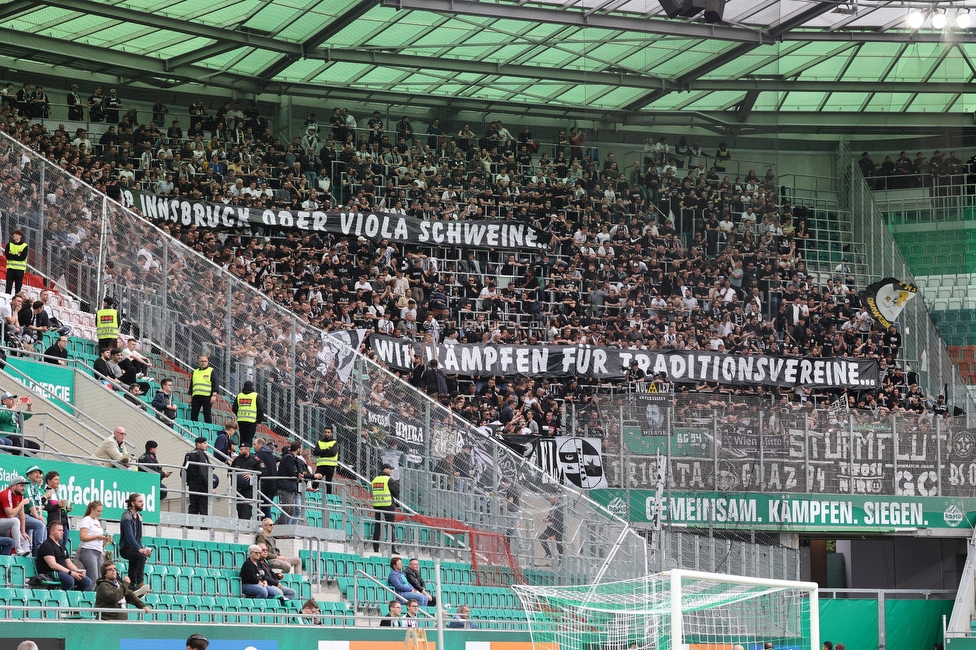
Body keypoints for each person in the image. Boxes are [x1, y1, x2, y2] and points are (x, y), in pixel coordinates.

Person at [36, 520, 93, 591]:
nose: (62, 532)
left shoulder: (62, 547)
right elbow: (53, 565)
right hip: (50, 573)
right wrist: (70, 572)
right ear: (52, 532)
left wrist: (77, 571)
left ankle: (73, 599)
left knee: (86, 582)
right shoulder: (47, 545)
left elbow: (68, 563)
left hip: (63, 572)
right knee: (69, 580)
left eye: (62, 530)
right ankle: (58, 597)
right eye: (59, 530)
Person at [118, 493, 152, 591]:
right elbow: (129, 537)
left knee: (136, 560)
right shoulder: (126, 516)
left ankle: (131, 585)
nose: (142, 503)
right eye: (140, 501)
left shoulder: (139, 516)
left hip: (134, 548)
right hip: (126, 548)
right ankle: (140, 582)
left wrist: (143, 549)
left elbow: (138, 537)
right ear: (133, 503)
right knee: (140, 556)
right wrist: (140, 549)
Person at [78, 501, 112, 581]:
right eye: (98, 511)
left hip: (98, 550)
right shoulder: (86, 520)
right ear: (92, 509)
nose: (99, 513)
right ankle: (89, 593)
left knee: (100, 578)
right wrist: (97, 536)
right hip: (88, 550)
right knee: (94, 578)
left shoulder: (97, 522)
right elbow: (82, 537)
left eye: (101, 511)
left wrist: (103, 540)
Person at [371, 463, 399, 554]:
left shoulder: (374, 480)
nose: (391, 471)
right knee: (390, 527)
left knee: (378, 527)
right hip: (387, 506)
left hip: (377, 506)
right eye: (390, 469)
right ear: (385, 469)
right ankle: (392, 548)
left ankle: (375, 548)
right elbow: (397, 492)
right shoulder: (388, 480)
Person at [0, 477, 32, 555]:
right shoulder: (5, 494)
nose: (23, 488)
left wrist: (23, 532)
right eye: (21, 485)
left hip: (5, 526)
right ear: (14, 486)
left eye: (24, 486)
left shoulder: (20, 495)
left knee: (25, 539)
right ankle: (18, 550)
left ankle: (26, 564)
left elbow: (22, 515)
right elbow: (10, 514)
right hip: (2, 522)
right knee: (15, 520)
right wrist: (22, 503)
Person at [21, 465, 49, 555]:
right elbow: (30, 503)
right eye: (36, 473)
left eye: (39, 473)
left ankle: (36, 555)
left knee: (41, 524)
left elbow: (39, 504)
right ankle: (39, 553)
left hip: (31, 515)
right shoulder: (27, 485)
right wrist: (37, 517)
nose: (38, 475)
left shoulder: (36, 487)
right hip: (23, 514)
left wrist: (40, 516)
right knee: (40, 525)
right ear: (29, 475)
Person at [231, 443, 262, 519]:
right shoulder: (237, 460)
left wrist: (252, 474)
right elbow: (230, 471)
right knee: (239, 510)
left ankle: (245, 529)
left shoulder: (255, 460)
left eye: (241, 449)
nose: (240, 451)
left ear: (246, 449)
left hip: (249, 490)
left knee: (246, 510)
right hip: (238, 490)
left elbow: (263, 471)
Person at [184, 436, 212, 516]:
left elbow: (183, 471)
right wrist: (210, 486)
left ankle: (190, 527)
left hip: (192, 486)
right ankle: (204, 528)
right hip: (202, 487)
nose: (206, 445)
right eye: (204, 443)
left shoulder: (189, 454)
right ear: (198, 445)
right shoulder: (201, 454)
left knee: (193, 507)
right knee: (203, 508)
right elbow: (203, 472)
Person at [41, 470, 71, 546]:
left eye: (58, 480)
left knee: (63, 545)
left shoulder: (58, 493)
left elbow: (60, 507)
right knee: (57, 544)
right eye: (55, 479)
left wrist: (66, 509)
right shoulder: (45, 492)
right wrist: (58, 505)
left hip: (63, 522)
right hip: (54, 523)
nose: (58, 482)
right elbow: (44, 507)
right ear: (49, 481)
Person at [232, 380, 264, 448]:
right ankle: (247, 454)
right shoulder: (255, 396)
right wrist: (259, 420)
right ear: (252, 387)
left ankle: (241, 452)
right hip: (251, 421)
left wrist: (240, 414)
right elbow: (260, 409)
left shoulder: (239, 395)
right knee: (249, 439)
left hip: (241, 420)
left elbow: (234, 408)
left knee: (242, 438)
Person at [254, 437, 278, 520]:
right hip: (272, 485)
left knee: (264, 509)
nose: (253, 446)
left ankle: (267, 527)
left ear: (260, 444)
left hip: (264, 486)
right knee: (266, 508)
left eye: (255, 444)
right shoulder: (271, 455)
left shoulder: (260, 455)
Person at [189, 354, 217, 423]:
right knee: (194, 414)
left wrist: (214, 395)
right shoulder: (195, 372)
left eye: (205, 361)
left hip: (207, 396)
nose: (203, 362)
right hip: (196, 396)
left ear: (207, 362)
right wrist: (191, 396)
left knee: (207, 414)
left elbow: (215, 383)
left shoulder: (211, 371)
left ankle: (209, 429)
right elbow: (192, 384)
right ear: (198, 362)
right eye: (201, 361)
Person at [313, 425, 338, 496]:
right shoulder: (319, 442)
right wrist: (327, 450)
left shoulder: (334, 442)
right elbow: (316, 452)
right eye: (325, 432)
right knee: (316, 481)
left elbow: (333, 453)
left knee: (328, 482)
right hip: (321, 465)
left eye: (328, 432)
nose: (326, 433)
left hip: (330, 466)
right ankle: (313, 493)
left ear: (331, 433)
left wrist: (322, 452)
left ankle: (329, 497)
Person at [539, 494, 564, 560]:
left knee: (559, 545)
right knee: (541, 538)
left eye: (551, 499)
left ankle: (561, 559)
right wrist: (546, 518)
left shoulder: (560, 506)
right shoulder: (552, 505)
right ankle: (549, 553)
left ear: (555, 498)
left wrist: (548, 519)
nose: (550, 500)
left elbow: (559, 518)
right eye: (550, 499)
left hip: (558, 527)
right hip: (551, 527)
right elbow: (551, 515)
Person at [4, 229, 28, 295]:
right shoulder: (9, 244)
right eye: (14, 234)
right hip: (10, 269)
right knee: (8, 288)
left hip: (20, 271)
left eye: (16, 234)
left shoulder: (24, 246)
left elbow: (22, 257)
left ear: (20, 236)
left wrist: (12, 255)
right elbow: (8, 256)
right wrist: (17, 255)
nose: (14, 235)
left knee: (18, 289)